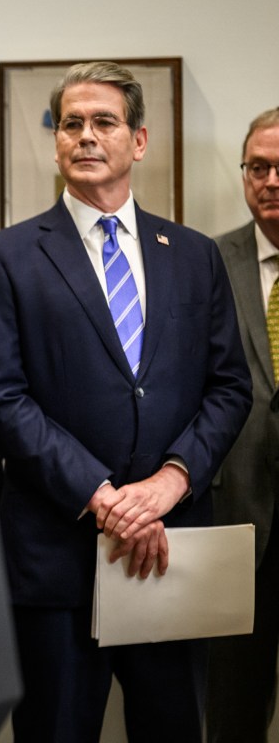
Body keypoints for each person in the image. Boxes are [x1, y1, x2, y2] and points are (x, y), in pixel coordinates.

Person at [0, 61, 251, 742]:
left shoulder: (193, 255)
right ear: (57, 140)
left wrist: (168, 484)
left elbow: (229, 386)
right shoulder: (5, 258)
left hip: (170, 555)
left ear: (139, 141)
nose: (86, 136)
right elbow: (2, 399)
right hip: (58, 561)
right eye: (71, 124)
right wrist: (105, 498)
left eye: (104, 122)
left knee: (174, 728)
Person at [206, 106, 279, 742]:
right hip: (237, 521)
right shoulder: (207, 261)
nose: (271, 180)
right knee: (232, 708)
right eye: (259, 167)